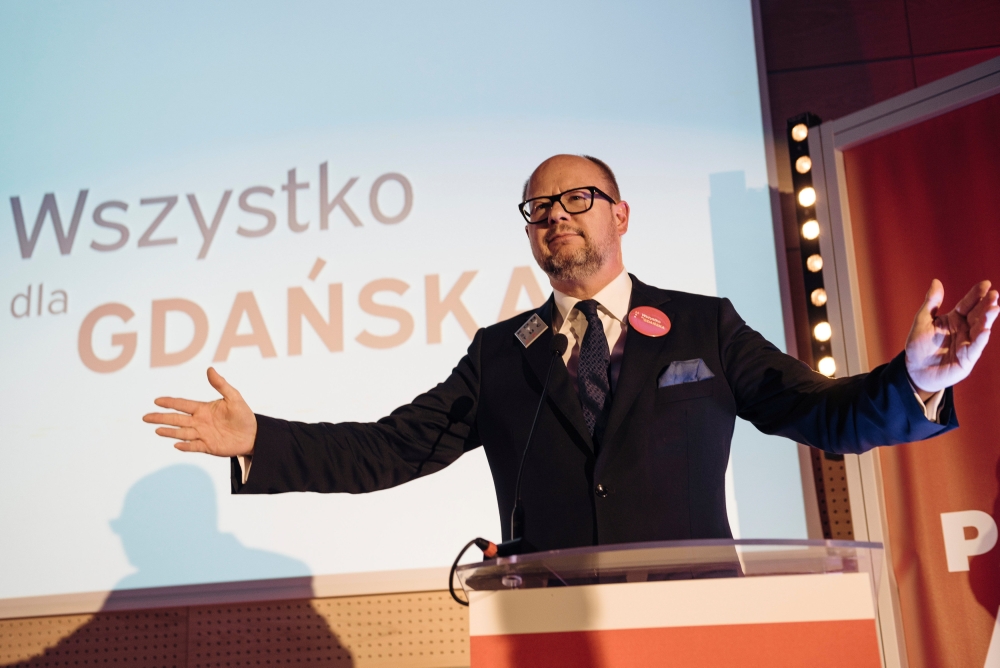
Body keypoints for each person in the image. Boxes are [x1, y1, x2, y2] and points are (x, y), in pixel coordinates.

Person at [144, 154, 999, 552]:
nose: (555, 215)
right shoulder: (499, 354)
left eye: (576, 198)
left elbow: (819, 413)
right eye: (537, 207)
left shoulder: (704, 326)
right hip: (548, 631)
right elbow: (390, 448)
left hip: (694, 628)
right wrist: (264, 437)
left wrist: (916, 379)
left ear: (620, 214)